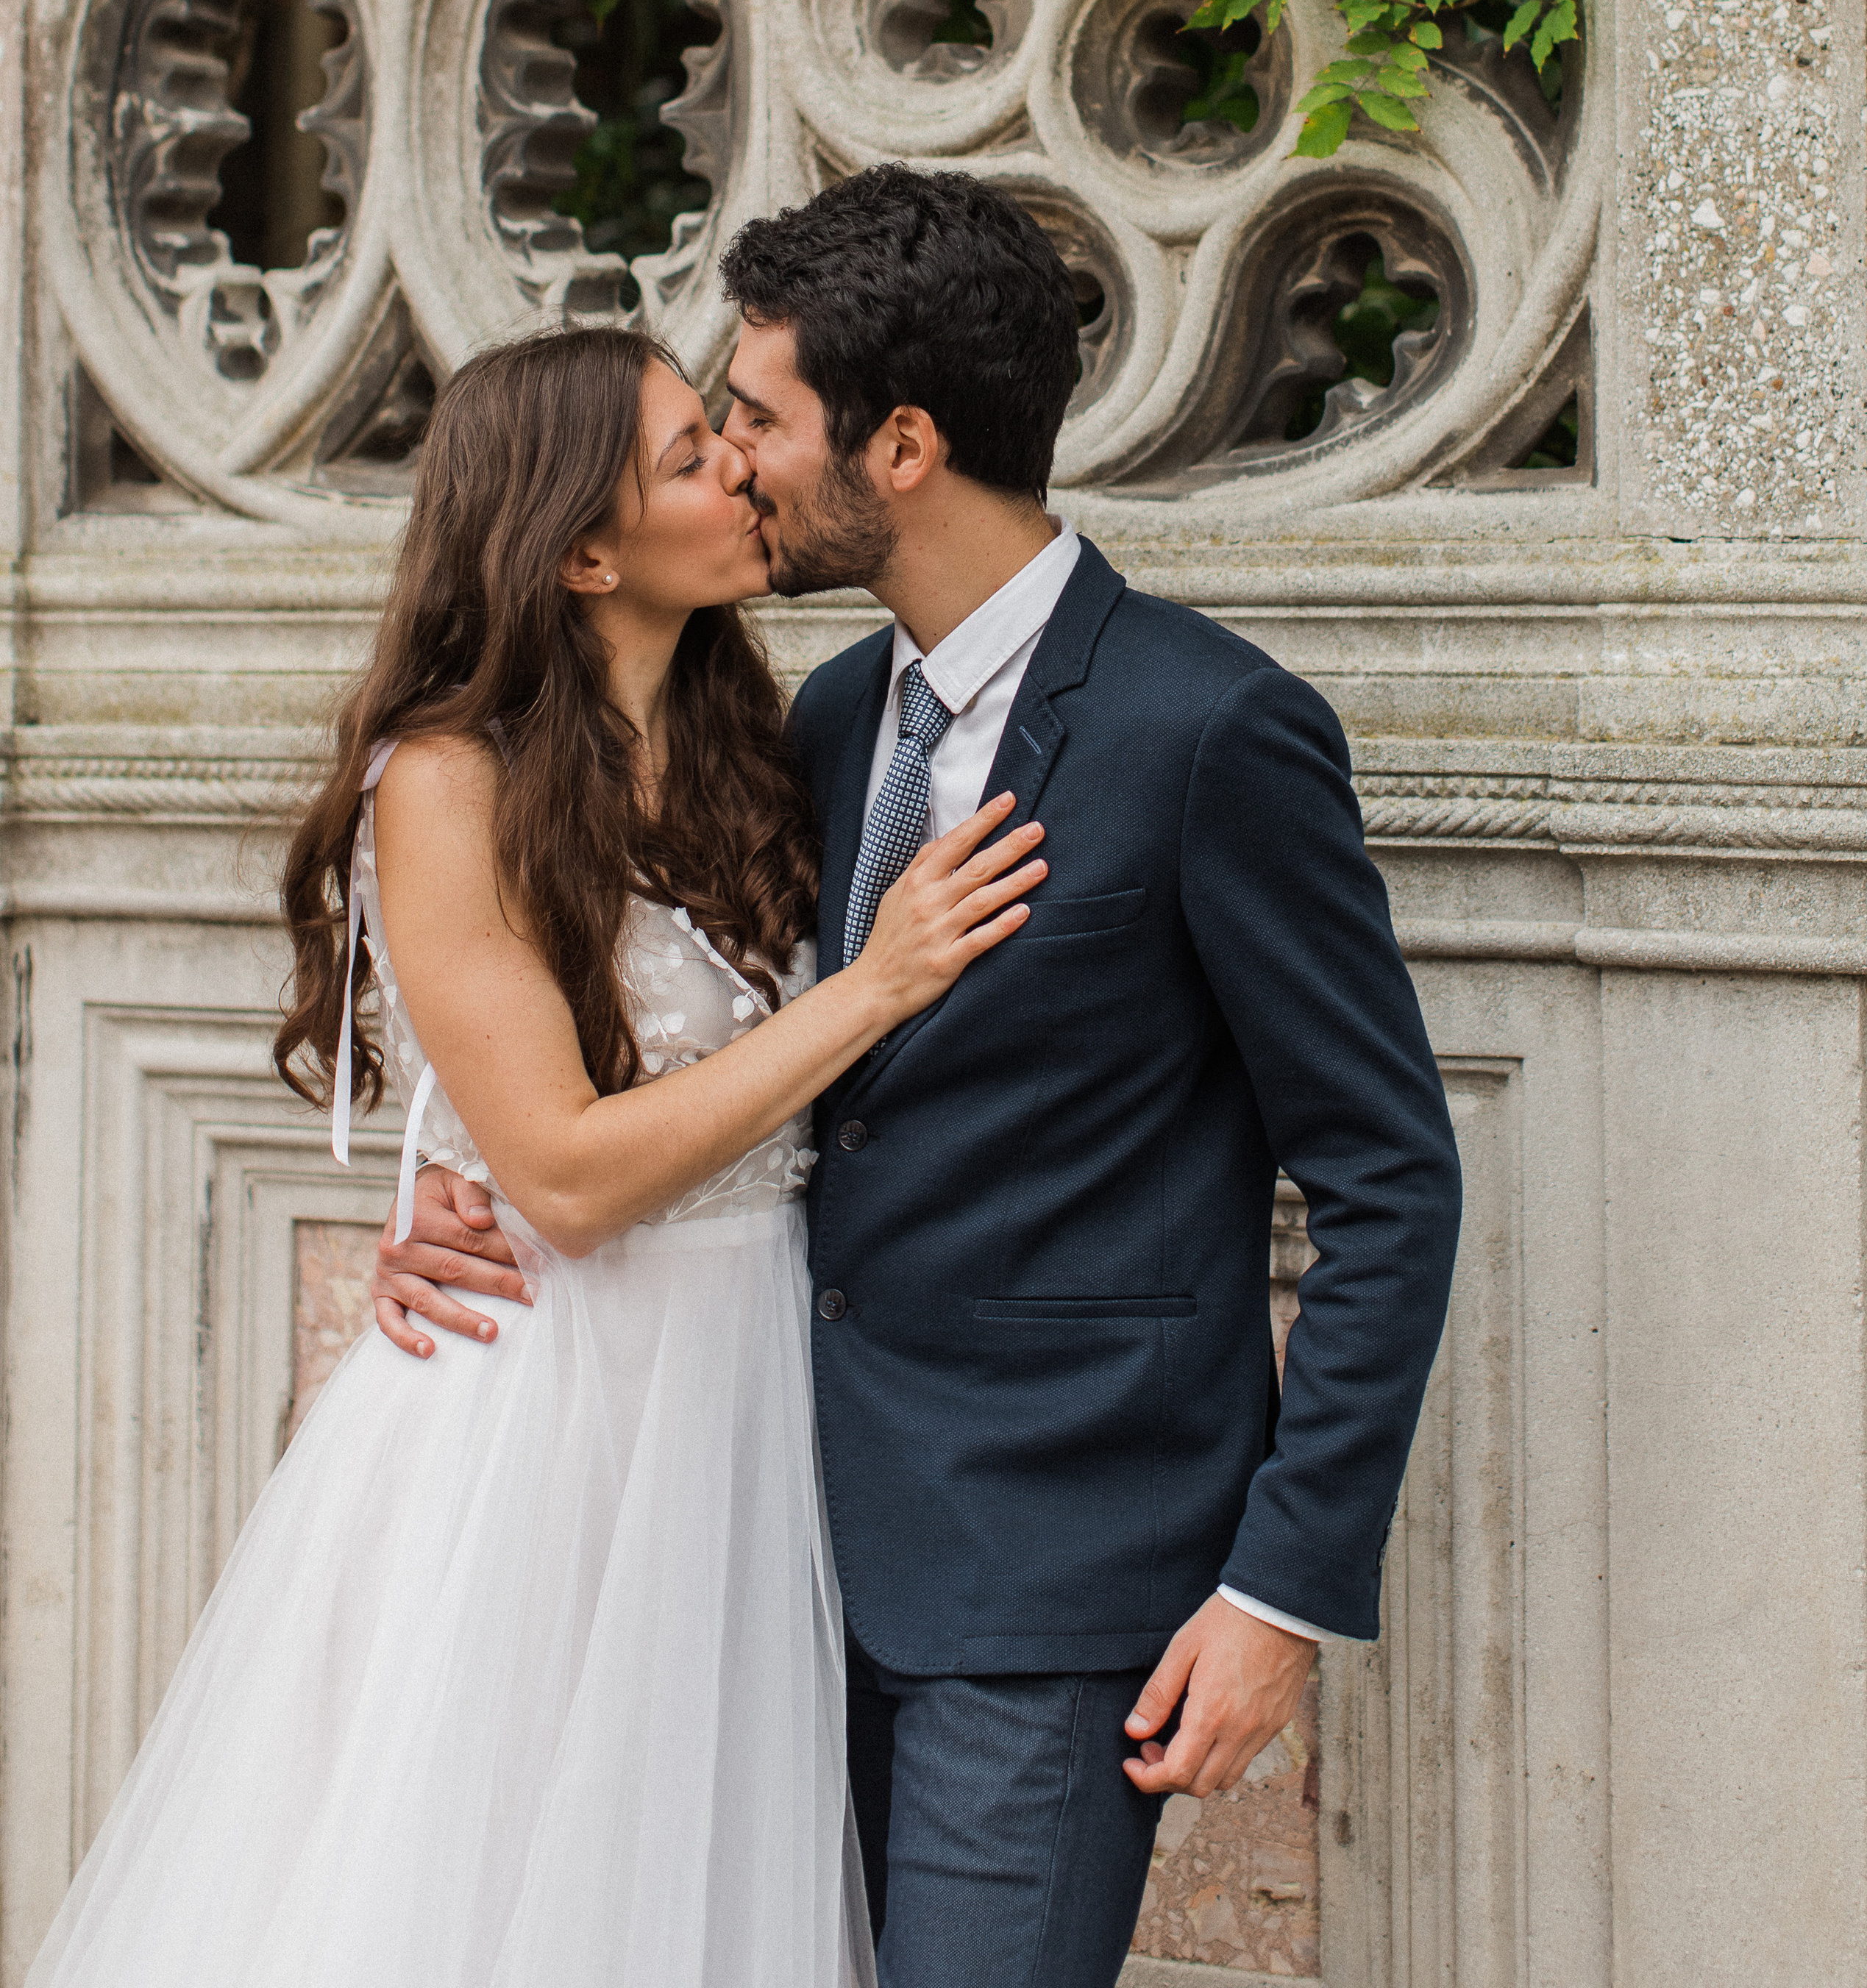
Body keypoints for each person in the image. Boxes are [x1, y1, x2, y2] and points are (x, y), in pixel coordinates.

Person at [377, 168, 1466, 1988]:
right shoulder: (807, 720)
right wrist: (469, 1186)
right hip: (763, 1559)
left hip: (1046, 1592)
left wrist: (1279, 1590)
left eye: (755, 417)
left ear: (897, 446)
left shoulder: (1209, 731)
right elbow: (674, 1045)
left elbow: (1385, 1181)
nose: (729, 457)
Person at [26, 324, 1048, 1988]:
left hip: (751, 1402)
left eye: (725, 432)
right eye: (687, 458)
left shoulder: (763, 745)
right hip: (548, 1416)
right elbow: (564, 1175)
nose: (740, 466)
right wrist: (879, 984)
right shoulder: (445, 781)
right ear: (582, 551)